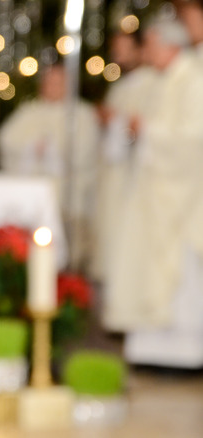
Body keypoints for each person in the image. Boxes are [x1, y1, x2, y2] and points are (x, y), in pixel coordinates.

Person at [104, 19, 203, 356]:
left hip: (179, 194)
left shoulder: (193, 78)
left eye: (150, 44)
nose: (146, 52)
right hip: (153, 188)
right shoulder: (164, 81)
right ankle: (151, 349)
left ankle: (182, 353)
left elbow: (194, 139)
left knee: (176, 269)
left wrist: (147, 129)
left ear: (169, 46)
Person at [0, 64, 100, 268]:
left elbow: (86, 151)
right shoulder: (29, 111)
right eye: (48, 82)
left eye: (57, 83)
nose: (51, 87)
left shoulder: (82, 114)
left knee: (71, 251)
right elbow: (6, 141)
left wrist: (55, 152)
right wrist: (31, 148)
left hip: (68, 199)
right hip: (31, 194)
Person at [92, 31, 156, 280]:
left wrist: (117, 121)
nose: (117, 54)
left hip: (137, 173)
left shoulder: (153, 82)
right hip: (114, 173)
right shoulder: (118, 87)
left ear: (139, 50)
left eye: (123, 48)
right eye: (115, 48)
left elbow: (144, 127)